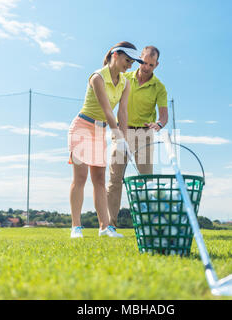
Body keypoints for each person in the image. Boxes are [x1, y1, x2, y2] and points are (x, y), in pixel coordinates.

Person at [67, 41, 143, 238]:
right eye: (128, 60)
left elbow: (123, 111)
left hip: (99, 131)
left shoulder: (125, 83)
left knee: (100, 180)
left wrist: (124, 138)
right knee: (80, 178)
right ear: (115, 55)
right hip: (82, 128)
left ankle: (104, 227)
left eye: (133, 62)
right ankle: (76, 226)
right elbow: (107, 109)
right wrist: (118, 137)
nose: (130, 65)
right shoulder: (97, 77)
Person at [107, 45, 168, 228]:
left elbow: (164, 115)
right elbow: (109, 99)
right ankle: (110, 225)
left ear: (156, 65)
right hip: (121, 133)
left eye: (151, 64)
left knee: (146, 182)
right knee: (114, 179)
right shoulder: (124, 78)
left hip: (144, 135)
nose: (146, 67)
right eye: (144, 62)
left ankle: (146, 225)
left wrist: (159, 124)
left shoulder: (159, 87)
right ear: (138, 59)